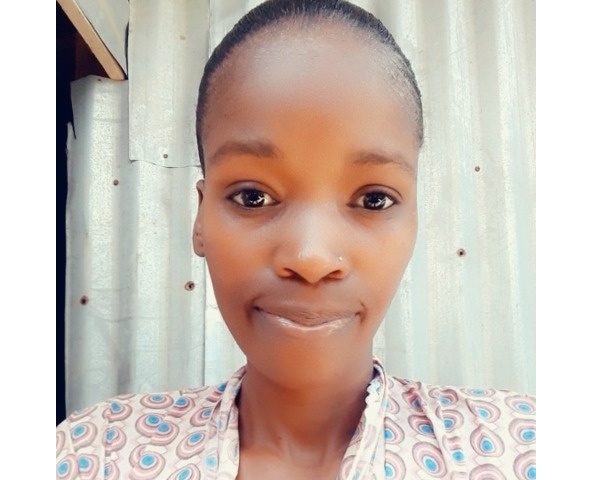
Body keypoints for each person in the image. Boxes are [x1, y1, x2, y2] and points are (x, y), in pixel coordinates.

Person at [56, 1, 536, 478]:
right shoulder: (92, 452)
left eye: (373, 200)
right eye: (252, 197)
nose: (311, 258)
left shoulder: (522, 448)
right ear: (200, 219)